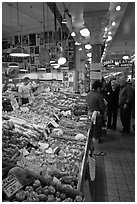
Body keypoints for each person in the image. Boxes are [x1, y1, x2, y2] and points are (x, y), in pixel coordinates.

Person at [86, 80, 106, 156]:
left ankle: (91, 147)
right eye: (100, 88)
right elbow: (102, 107)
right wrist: (105, 104)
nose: (100, 90)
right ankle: (97, 151)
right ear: (98, 88)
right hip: (97, 116)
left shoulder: (88, 94)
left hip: (90, 114)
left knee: (91, 132)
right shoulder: (99, 95)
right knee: (96, 134)